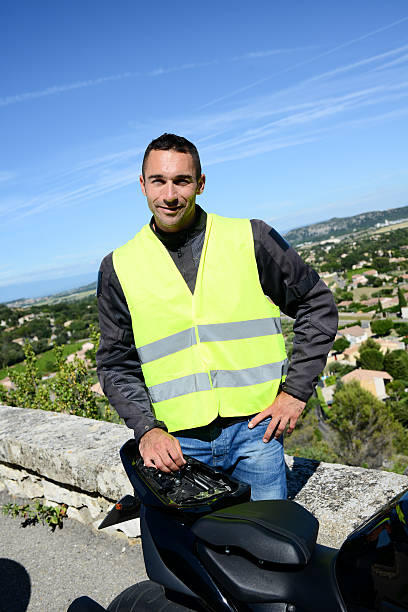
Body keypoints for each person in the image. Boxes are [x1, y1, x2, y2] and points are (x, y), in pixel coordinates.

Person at [96, 133, 338, 500]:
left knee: (268, 549)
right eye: (158, 181)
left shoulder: (250, 238)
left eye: (182, 180)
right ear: (143, 185)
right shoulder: (119, 266)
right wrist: (147, 430)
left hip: (256, 434)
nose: (170, 194)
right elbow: (115, 363)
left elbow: (316, 304)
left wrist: (295, 392)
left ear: (201, 183)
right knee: (187, 555)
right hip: (176, 447)